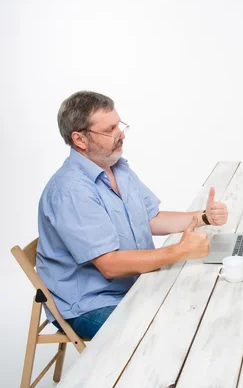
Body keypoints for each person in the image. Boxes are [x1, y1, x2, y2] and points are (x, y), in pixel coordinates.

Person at [37, 91, 228, 339]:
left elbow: (150, 219)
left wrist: (203, 217)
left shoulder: (117, 167)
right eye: (110, 129)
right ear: (80, 140)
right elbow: (109, 265)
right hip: (90, 303)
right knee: (168, 336)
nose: (122, 134)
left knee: (203, 307)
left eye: (119, 125)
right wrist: (179, 251)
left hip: (134, 283)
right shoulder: (70, 191)